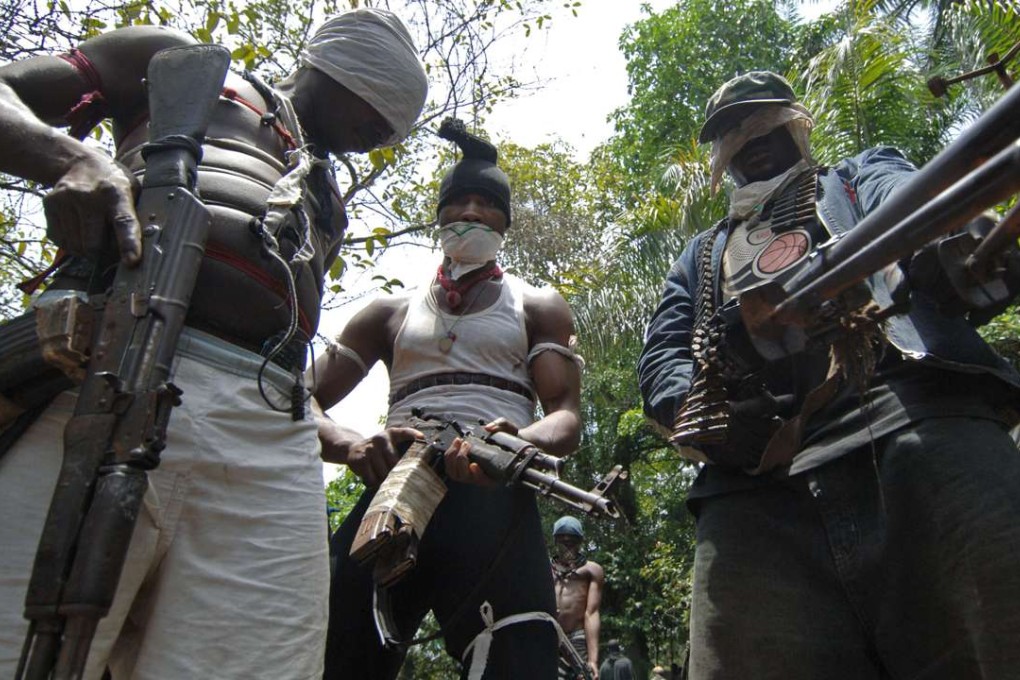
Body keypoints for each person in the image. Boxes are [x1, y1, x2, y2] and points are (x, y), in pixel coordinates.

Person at [0, 9, 427, 678]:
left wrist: (331, 433)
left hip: (265, 440)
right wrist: (72, 156)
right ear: (342, 66)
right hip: (110, 372)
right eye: (381, 108)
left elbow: (284, 352)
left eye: (394, 127)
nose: (383, 134)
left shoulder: (325, 200)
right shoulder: (182, 62)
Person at [638, 71, 1020, 679]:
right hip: (756, 492)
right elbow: (662, 357)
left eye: (763, 121)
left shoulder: (855, 176)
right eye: (734, 132)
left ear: (794, 123)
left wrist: (951, 250)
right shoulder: (701, 254)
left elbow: (919, 201)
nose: (750, 137)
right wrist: (704, 407)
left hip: (915, 421)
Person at [316, 118, 583, 678]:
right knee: (333, 652)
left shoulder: (537, 306)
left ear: (504, 222)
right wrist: (353, 446)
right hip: (393, 496)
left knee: (520, 661)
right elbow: (298, 397)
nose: (469, 212)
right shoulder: (387, 313)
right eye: (457, 201)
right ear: (438, 216)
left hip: (494, 496)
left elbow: (565, 418)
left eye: (485, 203)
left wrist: (517, 442)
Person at [550, 515, 605, 679]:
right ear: (555, 540)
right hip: (548, 634)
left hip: (577, 636)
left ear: (580, 541)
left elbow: (592, 613)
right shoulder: (544, 568)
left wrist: (593, 660)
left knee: (582, 676)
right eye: (562, 539)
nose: (567, 544)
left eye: (571, 540)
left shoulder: (592, 570)